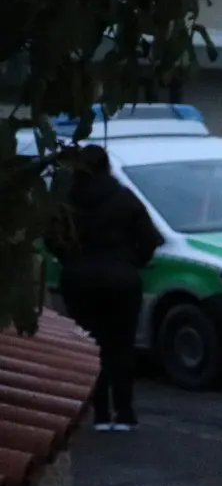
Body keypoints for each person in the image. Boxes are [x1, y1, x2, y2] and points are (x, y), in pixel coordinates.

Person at [51, 145, 163, 431]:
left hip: (79, 280)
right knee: (121, 345)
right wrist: (133, 262)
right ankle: (124, 413)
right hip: (121, 279)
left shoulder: (65, 202)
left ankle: (99, 414)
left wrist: (70, 261)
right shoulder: (124, 198)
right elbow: (150, 239)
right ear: (107, 166)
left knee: (91, 345)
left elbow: (51, 237)